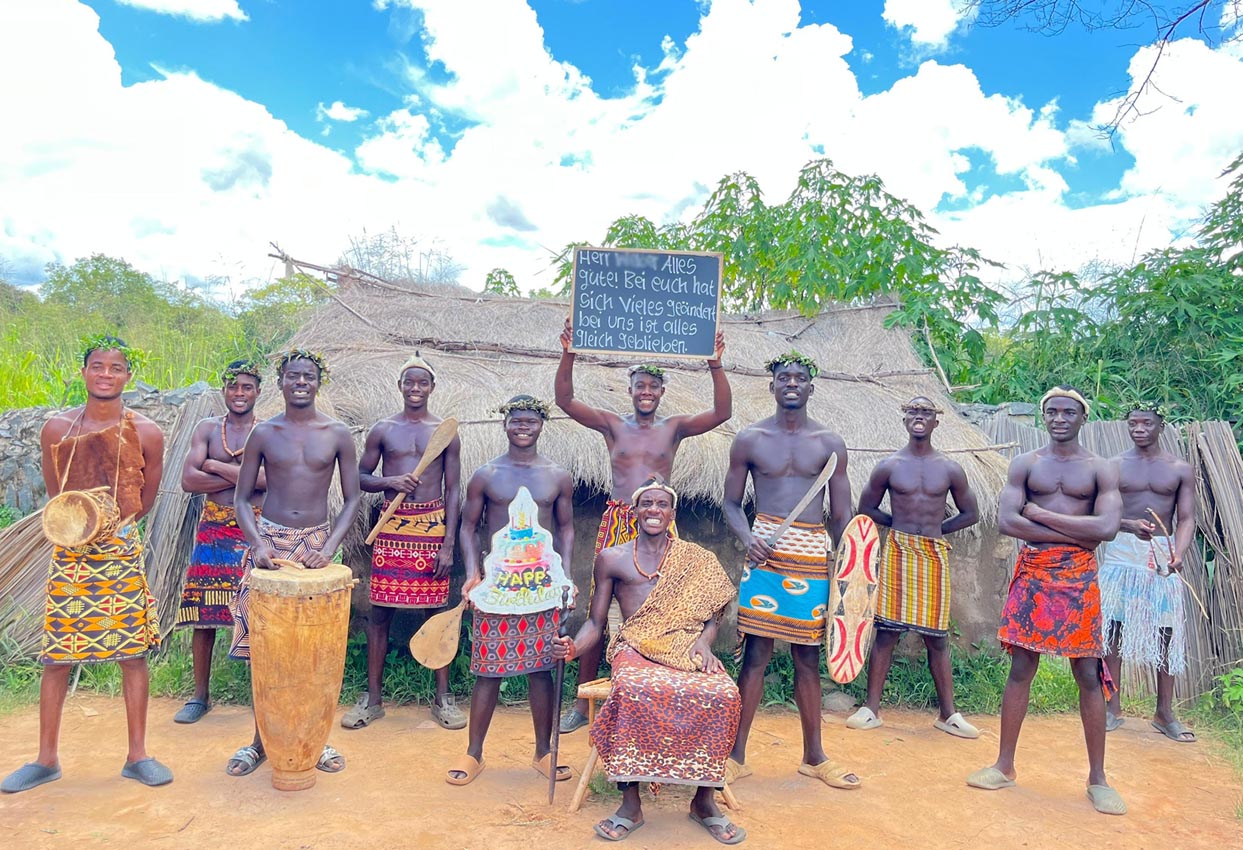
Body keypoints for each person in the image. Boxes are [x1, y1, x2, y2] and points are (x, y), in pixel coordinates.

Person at [3, 335, 170, 793]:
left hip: (120, 550)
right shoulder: (57, 430)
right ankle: (46, 759)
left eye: (116, 368)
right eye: (97, 366)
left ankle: (138, 756)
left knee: (132, 652)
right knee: (56, 655)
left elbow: (147, 495)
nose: (106, 375)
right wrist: (82, 529)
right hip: (71, 553)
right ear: (83, 372)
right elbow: (59, 495)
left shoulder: (147, 432)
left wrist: (115, 527)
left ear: (127, 377)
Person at [555, 318, 731, 732]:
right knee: (599, 608)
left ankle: (660, 689)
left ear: (662, 392)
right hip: (618, 520)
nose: (647, 392)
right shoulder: (612, 425)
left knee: (667, 609)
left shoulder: (674, 428)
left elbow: (723, 412)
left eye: (654, 386)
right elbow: (565, 401)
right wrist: (569, 352)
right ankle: (583, 705)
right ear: (630, 390)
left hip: (659, 522)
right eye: (641, 386)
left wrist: (716, 365)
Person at [553, 477, 745, 844]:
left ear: (672, 513)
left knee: (723, 694)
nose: (654, 510)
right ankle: (630, 805)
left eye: (661, 504)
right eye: (647, 504)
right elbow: (595, 622)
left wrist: (705, 643)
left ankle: (704, 801)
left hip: (686, 646)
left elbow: (713, 614)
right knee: (633, 690)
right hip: (636, 647)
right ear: (635, 511)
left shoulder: (697, 559)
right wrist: (574, 648)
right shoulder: (612, 558)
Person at [967, 386, 1126, 816]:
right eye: (1052, 411)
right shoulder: (1026, 464)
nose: (1059, 418)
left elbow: (1108, 528)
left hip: (1078, 577)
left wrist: (1041, 516)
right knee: (1021, 666)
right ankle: (1004, 765)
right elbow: (1006, 522)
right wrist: (1077, 528)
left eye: (1068, 412)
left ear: (1082, 417)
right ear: (1043, 415)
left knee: (1089, 673)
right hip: (1035, 573)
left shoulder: (1100, 468)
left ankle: (1098, 778)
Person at [224, 349, 362, 778]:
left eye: (308, 376)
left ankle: (314, 738)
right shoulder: (265, 433)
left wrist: (330, 548)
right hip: (271, 547)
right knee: (267, 649)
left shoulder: (337, 433)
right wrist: (258, 543)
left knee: (313, 648)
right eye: (292, 376)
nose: (300, 382)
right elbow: (242, 499)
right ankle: (260, 740)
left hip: (317, 549)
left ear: (319, 382)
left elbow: (353, 497)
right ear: (280, 382)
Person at [723, 351, 856, 790]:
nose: (792, 383)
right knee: (757, 654)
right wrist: (748, 540)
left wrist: (847, 570)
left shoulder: (830, 443)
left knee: (807, 656)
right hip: (765, 551)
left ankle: (814, 756)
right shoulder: (750, 439)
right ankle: (736, 755)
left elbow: (841, 514)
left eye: (800, 377)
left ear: (811, 388)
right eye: (785, 377)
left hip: (812, 553)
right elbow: (730, 503)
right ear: (773, 386)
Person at [446, 395, 575, 786]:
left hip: (542, 586)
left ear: (541, 426)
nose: (523, 427)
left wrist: (564, 576)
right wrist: (472, 573)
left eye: (530, 421)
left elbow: (567, 528)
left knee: (541, 670)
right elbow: (468, 527)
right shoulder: (486, 475)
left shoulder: (557, 475)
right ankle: (474, 754)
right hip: (497, 585)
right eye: (516, 420)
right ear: (505, 425)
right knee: (488, 671)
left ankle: (543, 752)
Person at [347, 352, 464, 731]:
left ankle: (443, 698)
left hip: (432, 526)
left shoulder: (444, 431)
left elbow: (453, 488)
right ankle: (374, 699)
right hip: (391, 525)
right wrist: (390, 483)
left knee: (437, 614)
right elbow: (360, 477)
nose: (415, 388)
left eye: (422, 382)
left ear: (432, 387)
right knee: (380, 613)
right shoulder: (382, 430)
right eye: (409, 382)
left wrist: (448, 543)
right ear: (400, 386)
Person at [850, 397, 980, 736]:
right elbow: (866, 508)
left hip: (933, 553)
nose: (918, 417)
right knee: (887, 631)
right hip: (898, 548)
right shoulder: (889, 466)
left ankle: (948, 714)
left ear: (936, 421)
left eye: (926, 413)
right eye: (913, 412)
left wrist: (937, 531)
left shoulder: (950, 468)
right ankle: (871, 708)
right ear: (904, 419)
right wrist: (898, 525)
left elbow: (971, 513)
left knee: (936, 636)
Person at [173, 359, 264, 724]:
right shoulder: (207, 428)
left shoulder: (267, 431)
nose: (239, 393)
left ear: (258, 391)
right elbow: (188, 481)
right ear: (224, 390)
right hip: (213, 527)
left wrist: (213, 466)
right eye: (233, 386)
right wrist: (242, 477)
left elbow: (267, 483)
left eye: (246, 387)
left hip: (255, 530)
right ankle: (199, 695)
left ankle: (263, 693)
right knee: (203, 615)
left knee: (259, 612)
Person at [1099, 402, 1197, 741]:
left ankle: (1164, 712)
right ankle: (1112, 706)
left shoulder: (1179, 469)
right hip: (1122, 550)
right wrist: (1126, 524)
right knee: (1112, 627)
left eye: (1146, 423)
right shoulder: (1113, 466)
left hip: (1162, 552)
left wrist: (1178, 553)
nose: (1139, 429)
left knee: (1166, 631)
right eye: (1133, 423)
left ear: (1161, 425)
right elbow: (1100, 513)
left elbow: (1186, 518)